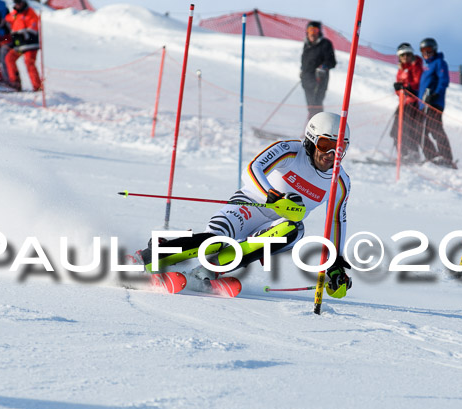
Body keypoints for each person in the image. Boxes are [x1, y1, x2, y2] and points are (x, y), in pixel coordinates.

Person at [140, 112, 353, 298]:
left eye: (340, 148)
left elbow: (336, 220)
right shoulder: (289, 150)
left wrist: (335, 263)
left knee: (294, 230)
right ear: (310, 140)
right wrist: (272, 197)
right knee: (216, 241)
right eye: (326, 145)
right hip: (248, 208)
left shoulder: (340, 181)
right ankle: (152, 256)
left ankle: (207, 272)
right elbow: (252, 169)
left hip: (276, 225)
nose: (332, 155)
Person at [417, 37, 455, 168]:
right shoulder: (427, 67)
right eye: (423, 50)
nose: (426, 53)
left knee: (435, 129)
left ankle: (447, 158)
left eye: (429, 50)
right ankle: (432, 156)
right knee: (421, 131)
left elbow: (443, 80)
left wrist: (435, 94)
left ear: (434, 50)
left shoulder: (439, 62)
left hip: (434, 102)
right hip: (424, 104)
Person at [389, 42, 423, 162]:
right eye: (402, 56)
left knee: (408, 128)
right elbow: (400, 90)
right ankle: (403, 154)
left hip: (413, 102)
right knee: (395, 130)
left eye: (407, 55)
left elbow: (418, 83)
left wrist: (408, 87)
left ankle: (413, 153)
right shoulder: (401, 69)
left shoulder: (416, 66)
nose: (405, 58)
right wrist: (398, 89)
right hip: (403, 103)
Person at [300, 21, 336, 121]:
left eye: (315, 30)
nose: (312, 33)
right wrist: (302, 70)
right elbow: (305, 60)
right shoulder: (307, 45)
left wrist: (323, 67)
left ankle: (318, 127)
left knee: (316, 105)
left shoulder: (325, 44)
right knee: (310, 106)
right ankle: (311, 128)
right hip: (307, 80)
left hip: (320, 80)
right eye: (310, 30)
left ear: (319, 32)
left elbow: (332, 61)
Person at [4, 0, 41, 92]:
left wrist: (20, 35)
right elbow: (6, 19)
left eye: (19, 3)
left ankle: (37, 87)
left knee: (29, 63)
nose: (18, 5)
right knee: (9, 58)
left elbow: (33, 29)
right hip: (20, 46)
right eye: (16, 3)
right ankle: (15, 83)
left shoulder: (30, 13)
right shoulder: (15, 14)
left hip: (30, 45)